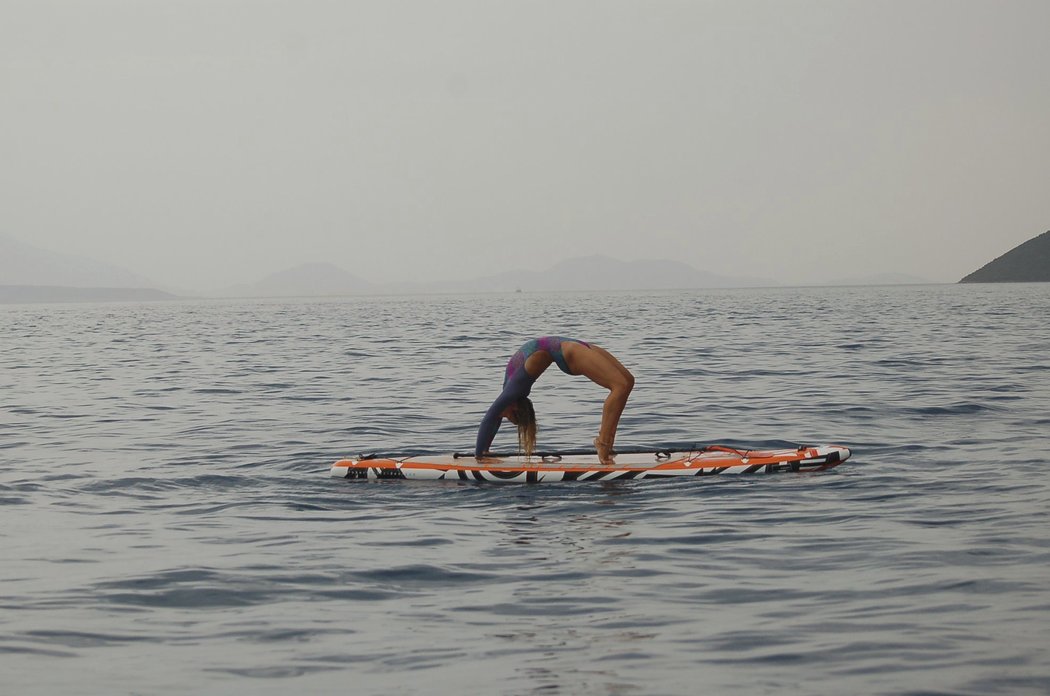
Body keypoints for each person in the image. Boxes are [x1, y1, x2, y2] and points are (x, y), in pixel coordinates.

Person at [475, 336, 634, 464]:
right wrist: (485, 450)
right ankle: (605, 442)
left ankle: (605, 443)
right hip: (568, 349)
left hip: (571, 347)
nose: (502, 416)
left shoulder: (513, 391)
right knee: (620, 385)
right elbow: (494, 420)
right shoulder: (514, 389)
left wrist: (480, 455)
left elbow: (490, 417)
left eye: (507, 417)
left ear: (514, 407)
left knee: (627, 382)